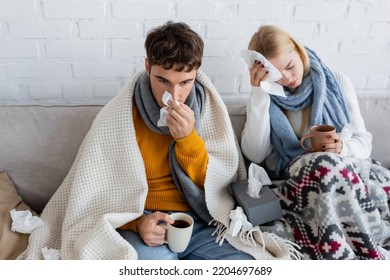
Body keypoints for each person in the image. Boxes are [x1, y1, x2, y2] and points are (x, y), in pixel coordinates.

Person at [19, 22, 297, 260]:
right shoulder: (120, 116)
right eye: (163, 81)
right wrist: (137, 223)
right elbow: (93, 196)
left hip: (198, 218)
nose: (174, 95)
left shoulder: (207, 109)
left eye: (185, 82)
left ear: (197, 74)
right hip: (146, 221)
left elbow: (218, 183)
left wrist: (188, 139)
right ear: (147, 67)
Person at [241, 25, 390, 260]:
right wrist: (258, 94)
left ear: (299, 52)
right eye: (277, 75)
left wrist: (342, 147)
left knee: (328, 163)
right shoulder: (267, 97)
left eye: (290, 66)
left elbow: (364, 143)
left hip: (349, 172)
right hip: (300, 184)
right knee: (322, 164)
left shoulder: (337, 82)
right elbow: (256, 154)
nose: (288, 79)